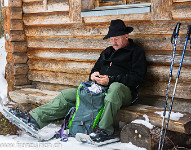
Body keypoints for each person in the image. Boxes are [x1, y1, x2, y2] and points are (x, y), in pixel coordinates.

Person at [10, 19, 147, 142]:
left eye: (116, 39)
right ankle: (33, 119)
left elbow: (137, 77)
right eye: (111, 39)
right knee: (67, 95)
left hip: (123, 92)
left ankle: (104, 130)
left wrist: (110, 81)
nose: (113, 42)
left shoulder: (136, 52)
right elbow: (95, 70)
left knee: (115, 88)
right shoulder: (107, 52)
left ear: (126, 36)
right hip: (98, 90)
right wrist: (93, 76)